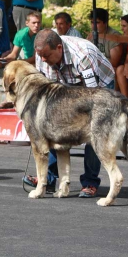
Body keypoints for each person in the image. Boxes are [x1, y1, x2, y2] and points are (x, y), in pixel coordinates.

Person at [24, 30, 115, 198]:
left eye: (46, 56)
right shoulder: (41, 55)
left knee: (94, 132)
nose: (43, 60)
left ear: (59, 48)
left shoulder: (83, 55)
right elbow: (46, 91)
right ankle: (49, 179)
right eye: (40, 56)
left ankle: (90, 182)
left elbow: (92, 96)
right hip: (66, 87)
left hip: (98, 87)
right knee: (50, 127)